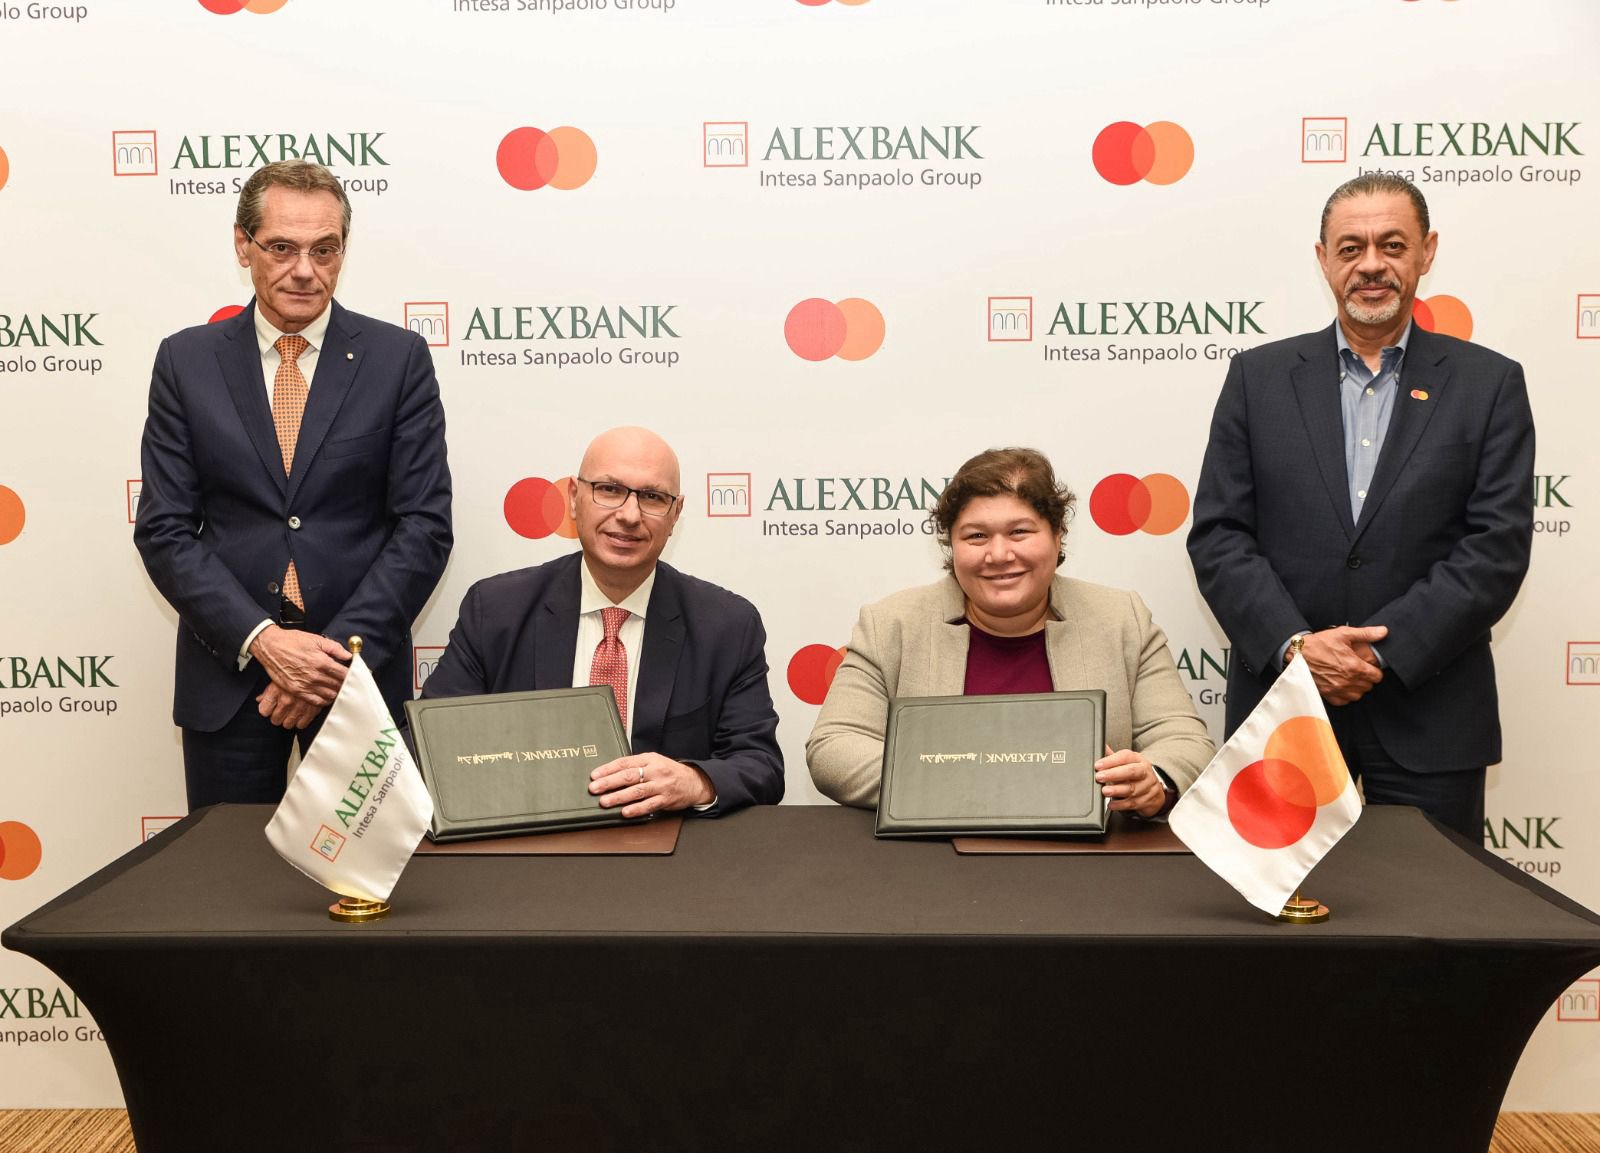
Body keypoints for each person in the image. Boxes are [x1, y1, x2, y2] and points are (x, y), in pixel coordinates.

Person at [1186, 173, 1534, 840]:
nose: (1371, 264)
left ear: (1427, 252)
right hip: (1286, 714)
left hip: (1432, 714)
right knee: (1284, 906)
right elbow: (1219, 536)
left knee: (1431, 904)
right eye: (1351, 248)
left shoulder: (1489, 384)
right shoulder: (1257, 379)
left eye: (1392, 244)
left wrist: (1377, 654)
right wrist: (1298, 647)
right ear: (1324, 259)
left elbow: (1495, 549)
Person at [134, 160, 453, 811]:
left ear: (343, 250)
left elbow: (424, 525)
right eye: (282, 247)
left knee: (365, 873)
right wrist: (265, 641)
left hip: (357, 682)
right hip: (230, 678)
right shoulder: (186, 362)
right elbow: (164, 529)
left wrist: (327, 661)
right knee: (228, 872)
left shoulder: (398, 360)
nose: (305, 269)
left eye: (324, 249)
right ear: (243, 245)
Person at [807, 448, 1213, 814]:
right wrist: (976, 783)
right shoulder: (891, 624)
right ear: (951, 545)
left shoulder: (1121, 617)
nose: (999, 554)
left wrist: (1153, 779)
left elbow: (1184, 740)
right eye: (976, 536)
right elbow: (834, 747)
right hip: (932, 857)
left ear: (1057, 535)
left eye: (1020, 532)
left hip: (1087, 861)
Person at [420, 426, 783, 817]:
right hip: (526, 838)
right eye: (609, 490)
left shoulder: (727, 626)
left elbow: (761, 765)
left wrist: (694, 781)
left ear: (675, 514)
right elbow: (428, 743)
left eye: (652, 497)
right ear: (574, 498)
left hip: (669, 843)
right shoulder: (496, 610)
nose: (629, 515)